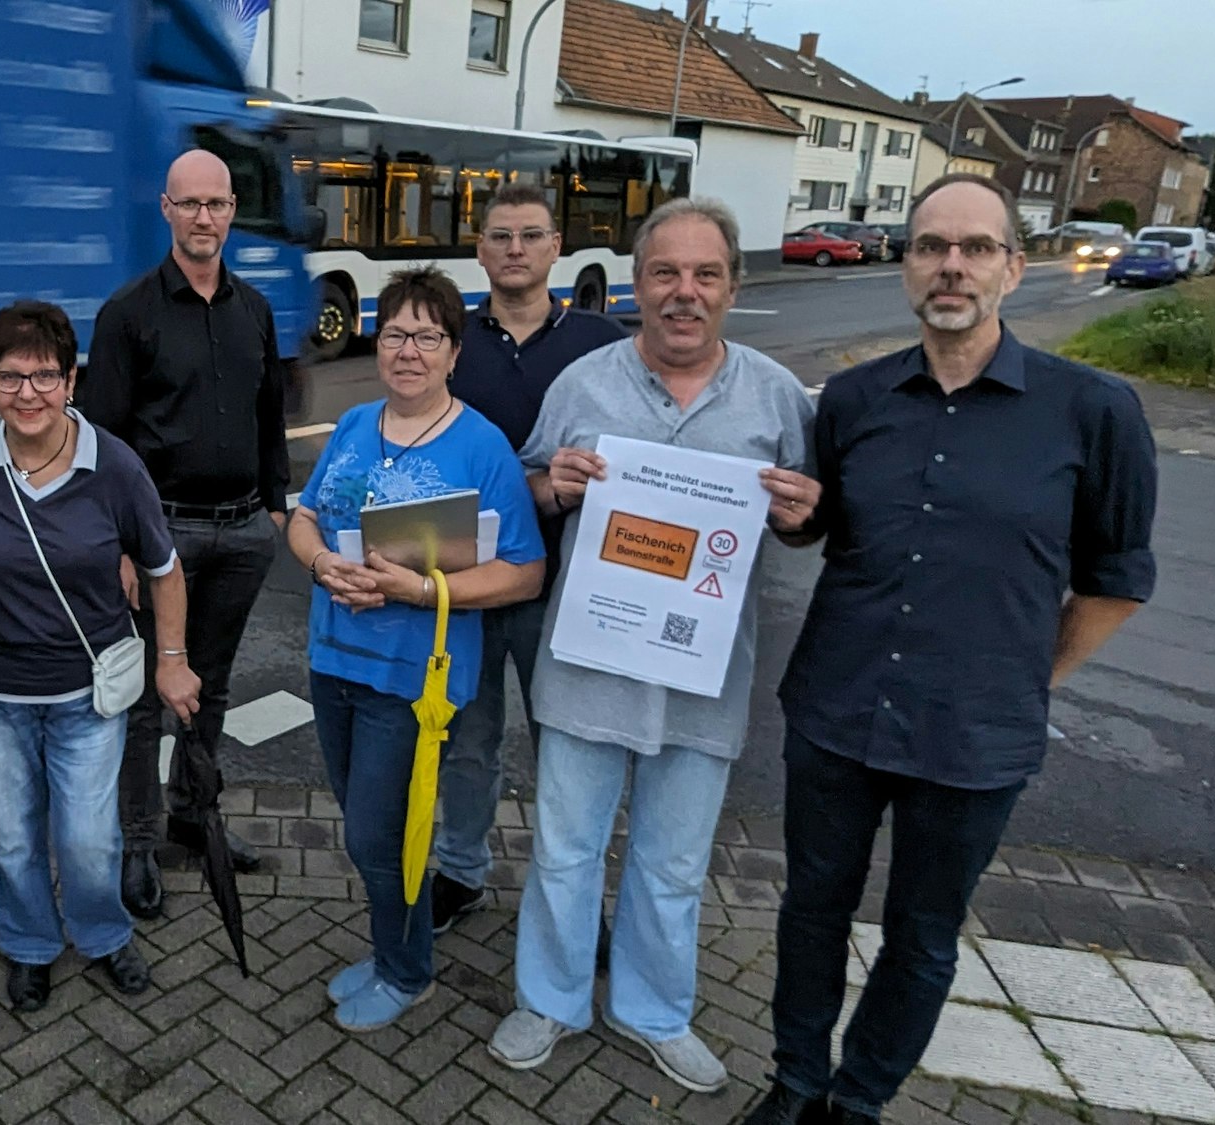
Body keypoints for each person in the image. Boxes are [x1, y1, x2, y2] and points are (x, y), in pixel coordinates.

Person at [747, 173, 1158, 1125]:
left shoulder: (1093, 411)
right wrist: (797, 523)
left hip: (976, 736)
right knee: (811, 910)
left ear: (1014, 267)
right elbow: (826, 532)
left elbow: (1116, 581)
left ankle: (859, 1099)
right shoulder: (851, 399)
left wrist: (1026, 675)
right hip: (837, 709)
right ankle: (796, 1080)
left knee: (921, 934)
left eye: (976, 247)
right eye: (933, 246)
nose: (952, 265)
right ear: (909, 265)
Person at [489, 198, 820, 1091]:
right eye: (665, 274)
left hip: (702, 675)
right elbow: (527, 486)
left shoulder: (776, 397)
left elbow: (801, 524)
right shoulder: (583, 384)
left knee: (673, 862)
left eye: (705, 274)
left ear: (731, 287)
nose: (684, 292)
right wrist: (551, 486)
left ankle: (654, 1010)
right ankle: (549, 1000)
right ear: (638, 285)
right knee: (564, 847)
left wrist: (802, 517)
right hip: (589, 664)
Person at [287, 267, 546, 1032]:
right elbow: (303, 517)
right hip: (333, 657)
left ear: (453, 352)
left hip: (415, 676)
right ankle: (389, 951)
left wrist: (420, 590)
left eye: (427, 336)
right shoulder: (354, 424)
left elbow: (524, 572)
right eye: (396, 332)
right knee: (365, 824)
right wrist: (318, 562)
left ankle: (408, 971)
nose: (408, 349)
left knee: (380, 831)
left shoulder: (483, 445)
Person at [0, 301, 202, 1013]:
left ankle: (101, 932)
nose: (28, 394)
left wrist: (172, 657)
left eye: (45, 376)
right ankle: (30, 944)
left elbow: (165, 568)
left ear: (71, 380)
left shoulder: (114, 466)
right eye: (10, 377)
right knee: (14, 837)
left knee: (89, 840)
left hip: (87, 690)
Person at [82, 148, 290, 919]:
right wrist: (120, 545)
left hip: (241, 532)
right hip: (158, 533)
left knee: (213, 690)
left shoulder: (255, 309)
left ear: (232, 211)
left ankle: (193, 815)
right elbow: (101, 445)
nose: (205, 218)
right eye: (190, 204)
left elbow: (272, 417)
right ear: (166, 210)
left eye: (218, 204)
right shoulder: (128, 314)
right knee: (142, 700)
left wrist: (273, 505)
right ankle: (136, 840)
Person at [432, 182, 629, 935]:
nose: (514, 248)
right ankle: (461, 869)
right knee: (466, 740)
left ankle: (578, 894)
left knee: (570, 751)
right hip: (470, 582)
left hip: (573, 587)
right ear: (479, 249)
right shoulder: (451, 340)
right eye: (500, 235)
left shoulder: (604, 344)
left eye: (530, 235)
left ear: (557, 247)